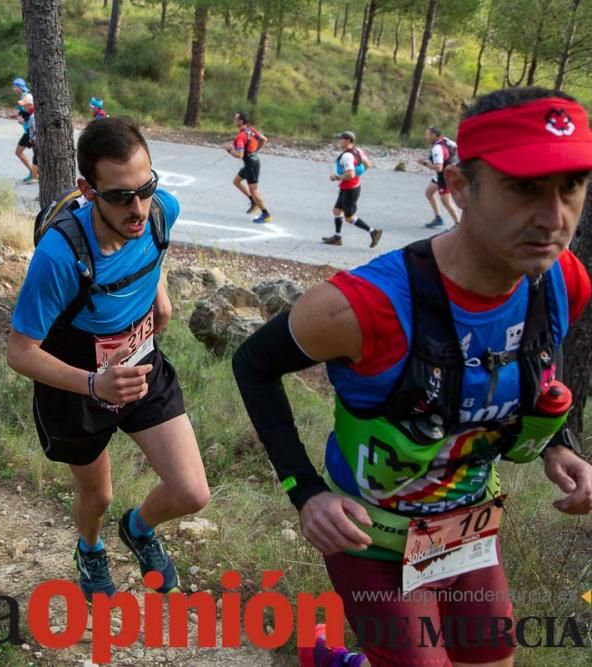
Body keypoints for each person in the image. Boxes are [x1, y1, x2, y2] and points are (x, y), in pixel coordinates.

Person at [233, 87, 592, 666]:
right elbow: (253, 364)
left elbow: (529, 378)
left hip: (469, 529)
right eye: (524, 188)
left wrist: (558, 447)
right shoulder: (362, 307)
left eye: (570, 186)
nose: (555, 219)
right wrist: (305, 491)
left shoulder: (560, 281)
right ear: (458, 189)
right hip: (370, 539)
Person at [7, 117, 210, 602]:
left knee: (191, 493)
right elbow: (19, 352)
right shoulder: (59, 257)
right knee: (97, 496)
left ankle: (138, 530)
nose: (137, 208)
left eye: (146, 189)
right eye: (120, 197)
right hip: (77, 384)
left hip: (141, 365)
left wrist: (158, 293)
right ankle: (91, 548)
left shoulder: (162, 212)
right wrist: (95, 385)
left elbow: (152, 250)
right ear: (88, 189)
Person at [322, 130, 381, 247]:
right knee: (337, 211)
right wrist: (357, 175)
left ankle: (373, 231)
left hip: (350, 190)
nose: (339, 141)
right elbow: (367, 165)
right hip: (350, 187)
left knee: (349, 217)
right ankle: (337, 237)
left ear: (348, 141)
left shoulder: (347, 156)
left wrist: (337, 177)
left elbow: (350, 174)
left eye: (341, 139)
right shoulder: (357, 151)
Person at [224, 111, 272, 223]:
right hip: (252, 162)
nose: (233, 120)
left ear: (241, 121)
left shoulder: (240, 137)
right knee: (236, 181)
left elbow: (239, 155)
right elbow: (264, 139)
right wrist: (255, 151)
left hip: (251, 165)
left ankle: (266, 214)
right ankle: (253, 201)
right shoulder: (251, 130)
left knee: (253, 190)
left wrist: (229, 149)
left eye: (235, 118)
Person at [419, 125, 461, 228]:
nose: (425, 137)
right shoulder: (445, 140)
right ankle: (438, 218)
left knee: (446, 202)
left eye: (427, 134)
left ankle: (458, 224)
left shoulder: (437, 148)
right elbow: (456, 147)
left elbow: (439, 168)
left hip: (445, 176)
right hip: (443, 174)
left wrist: (424, 163)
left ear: (434, 136)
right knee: (429, 193)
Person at [12, 77, 38, 184]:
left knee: (19, 151)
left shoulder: (27, 96)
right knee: (35, 153)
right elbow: (25, 112)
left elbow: (32, 111)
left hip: (29, 130)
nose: (13, 89)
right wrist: (17, 115)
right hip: (29, 129)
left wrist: (23, 120)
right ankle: (34, 172)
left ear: (19, 87)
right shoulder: (25, 96)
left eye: (14, 87)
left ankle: (34, 173)